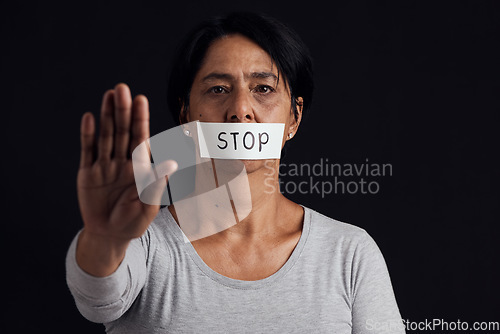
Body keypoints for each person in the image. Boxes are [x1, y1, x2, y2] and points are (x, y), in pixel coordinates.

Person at [66, 12, 405, 333]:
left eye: (263, 89)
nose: (240, 110)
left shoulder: (349, 254)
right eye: (218, 89)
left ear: (293, 118)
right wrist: (104, 239)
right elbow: (98, 299)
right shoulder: (143, 243)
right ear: (186, 115)